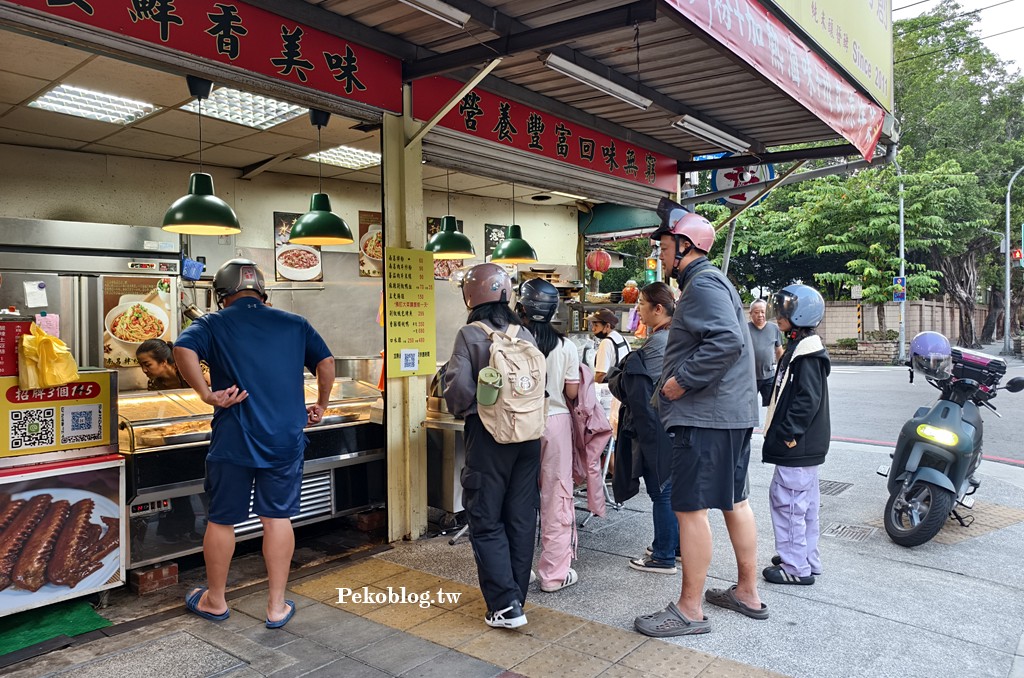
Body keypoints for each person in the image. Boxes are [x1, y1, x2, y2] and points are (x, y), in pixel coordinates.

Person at [173, 259, 334, 630]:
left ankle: (215, 600)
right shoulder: (295, 323)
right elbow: (325, 362)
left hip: (235, 438)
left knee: (222, 519)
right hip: (284, 436)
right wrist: (321, 405)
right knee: (277, 517)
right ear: (263, 293)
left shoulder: (212, 323)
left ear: (221, 295)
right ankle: (276, 607)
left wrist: (206, 394)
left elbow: (183, 350)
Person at [634, 210, 765, 638]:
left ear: (685, 247)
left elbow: (725, 341)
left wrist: (679, 383)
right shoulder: (717, 281)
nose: (661, 253)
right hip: (729, 416)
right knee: (735, 501)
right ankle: (747, 591)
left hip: (706, 417)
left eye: (666, 246)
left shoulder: (703, 284)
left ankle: (689, 609)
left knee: (690, 508)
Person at [443, 263, 542, 629]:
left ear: (471, 296)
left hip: (489, 437)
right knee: (520, 518)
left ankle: (505, 606)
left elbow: (459, 391)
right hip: (529, 437)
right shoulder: (524, 334)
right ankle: (515, 596)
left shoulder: (470, 334)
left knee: (484, 517)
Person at [607, 282, 679, 574]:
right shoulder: (673, 336)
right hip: (671, 422)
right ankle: (672, 545)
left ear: (658, 309)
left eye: (642, 305)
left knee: (661, 490)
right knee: (670, 489)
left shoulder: (659, 343)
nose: (638, 310)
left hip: (655, 425)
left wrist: (617, 375)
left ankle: (662, 555)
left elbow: (626, 383)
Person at [762, 284, 830, 586]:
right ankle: (806, 558)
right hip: (805, 445)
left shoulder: (807, 354)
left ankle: (794, 567)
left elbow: (806, 400)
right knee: (805, 504)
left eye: (784, 311)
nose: (778, 316)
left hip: (798, 445)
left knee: (788, 502)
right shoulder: (804, 348)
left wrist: (789, 435)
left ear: (800, 314)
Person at [515, 279, 581, 593]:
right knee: (557, 497)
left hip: (519, 424)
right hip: (555, 422)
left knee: (517, 497)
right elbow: (572, 391)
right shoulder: (567, 346)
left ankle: (518, 568)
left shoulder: (512, 341)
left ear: (521, 306)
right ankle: (554, 575)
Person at [748, 300, 784, 407]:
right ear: (750, 314)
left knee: (773, 406)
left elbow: (779, 350)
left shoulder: (774, 328)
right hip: (750, 377)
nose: (760, 315)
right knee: (748, 406)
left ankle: (770, 424)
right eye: (756, 312)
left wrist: (781, 371)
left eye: (763, 312)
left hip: (769, 376)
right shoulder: (745, 329)